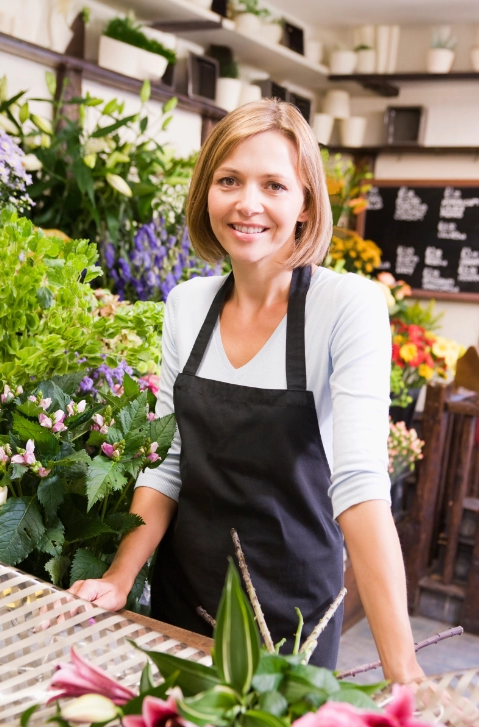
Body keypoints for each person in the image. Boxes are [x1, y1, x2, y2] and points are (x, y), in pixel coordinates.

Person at [70, 99, 423, 680]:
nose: (247, 203)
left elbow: (360, 488)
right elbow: (168, 462)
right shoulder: (188, 306)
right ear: (205, 192)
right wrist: (119, 577)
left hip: (293, 618)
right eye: (228, 180)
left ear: (306, 201)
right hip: (186, 604)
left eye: (274, 185)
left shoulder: (345, 307)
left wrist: (402, 671)